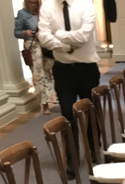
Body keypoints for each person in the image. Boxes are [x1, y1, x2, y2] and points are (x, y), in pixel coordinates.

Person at [38, 0, 100, 172]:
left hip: (86, 68)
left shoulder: (86, 4)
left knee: (91, 112)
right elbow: (43, 37)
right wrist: (65, 45)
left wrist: (56, 33)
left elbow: (83, 37)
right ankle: (71, 158)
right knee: (67, 116)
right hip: (63, 70)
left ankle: (95, 150)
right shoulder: (48, 6)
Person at [14, 0, 57, 115]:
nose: (32, 5)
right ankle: (45, 104)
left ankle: (54, 97)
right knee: (39, 75)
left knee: (51, 71)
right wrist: (25, 32)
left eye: (35, 3)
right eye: (30, 3)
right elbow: (16, 32)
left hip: (46, 45)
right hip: (33, 46)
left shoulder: (44, 12)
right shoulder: (22, 14)